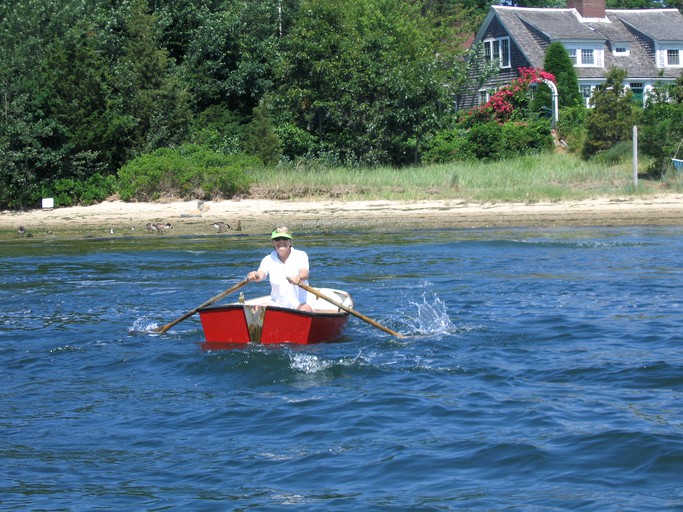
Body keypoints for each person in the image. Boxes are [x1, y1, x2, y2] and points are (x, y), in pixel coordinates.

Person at [246, 226, 313, 312]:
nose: (281, 241)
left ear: (290, 241)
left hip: (300, 303)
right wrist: (255, 275)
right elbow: (261, 275)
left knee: (304, 310)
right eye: (277, 239)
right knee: (257, 309)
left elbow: (304, 273)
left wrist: (298, 277)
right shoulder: (268, 259)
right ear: (273, 242)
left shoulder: (300, 255)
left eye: (285, 238)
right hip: (277, 304)